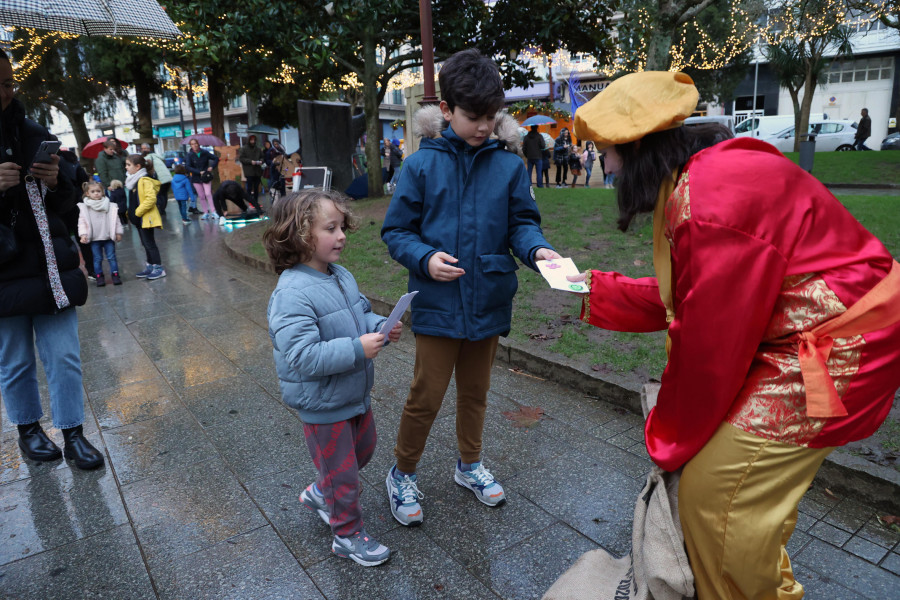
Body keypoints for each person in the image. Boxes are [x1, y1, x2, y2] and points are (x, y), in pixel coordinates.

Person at [568, 70, 900, 599]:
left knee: (720, 498)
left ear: (636, 149)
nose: (603, 166)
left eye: (607, 151)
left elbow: (709, 352)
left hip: (835, 349)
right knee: (733, 499)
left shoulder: (705, 203)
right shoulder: (704, 178)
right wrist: (594, 290)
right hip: (820, 335)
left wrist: (668, 435)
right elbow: (697, 299)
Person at [381, 48, 560, 527]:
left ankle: (469, 464)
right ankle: (401, 472)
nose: (483, 126)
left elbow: (522, 223)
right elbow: (396, 232)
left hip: (488, 300)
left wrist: (537, 250)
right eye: (472, 116)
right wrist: (425, 257)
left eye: (490, 116)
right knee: (427, 394)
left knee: (476, 393)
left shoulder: (508, 166)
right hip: (438, 303)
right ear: (445, 110)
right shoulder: (420, 165)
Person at [264, 189, 402, 567]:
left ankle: (322, 491)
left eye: (342, 227)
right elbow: (302, 356)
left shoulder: (340, 275)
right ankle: (347, 534)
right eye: (331, 228)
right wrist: (359, 348)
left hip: (353, 391)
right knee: (344, 477)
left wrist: (380, 327)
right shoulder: (291, 293)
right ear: (299, 234)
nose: (342, 235)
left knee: (365, 449)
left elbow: (360, 314)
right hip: (323, 403)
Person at [0, 48, 103, 470]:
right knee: (14, 357)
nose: (8, 91)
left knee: (64, 354)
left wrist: (57, 179)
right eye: (2, 83)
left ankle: (73, 432)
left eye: (9, 82)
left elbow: (67, 203)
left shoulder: (31, 130)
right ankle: (28, 430)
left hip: (50, 265)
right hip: (4, 272)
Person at [125, 154, 165, 280]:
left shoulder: (144, 180)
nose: (126, 167)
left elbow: (151, 199)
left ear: (138, 167)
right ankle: (150, 266)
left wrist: (137, 212)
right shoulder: (134, 180)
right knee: (145, 243)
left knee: (150, 243)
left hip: (144, 218)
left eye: (128, 165)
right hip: (138, 220)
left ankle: (158, 268)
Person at [77, 181, 123, 286]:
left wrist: (118, 232)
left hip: (108, 237)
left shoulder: (110, 205)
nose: (96, 193)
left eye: (98, 191)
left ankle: (115, 275)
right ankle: (99, 276)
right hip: (94, 239)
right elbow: (82, 222)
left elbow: (116, 220)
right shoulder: (85, 207)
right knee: (97, 259)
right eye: (93, 191)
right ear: (88, 193)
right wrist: (83, 234)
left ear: (102, 192)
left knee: (111, 257)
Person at [185, 138, 218, 220]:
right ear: (191, 146)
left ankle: (213, 212)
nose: (194, 145)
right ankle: (206, 212)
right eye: (192, 144)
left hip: (206, 177)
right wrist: (198, 172)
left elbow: (216, 158)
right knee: (201, 196)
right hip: (196, 178)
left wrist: (212, 166)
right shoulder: (189, 155)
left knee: (208, 194)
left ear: (198, 144)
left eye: (195, 143)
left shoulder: (204, 152)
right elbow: (188, 166)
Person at [141, 142, 173, 213]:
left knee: (159, 194)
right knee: (164, 194)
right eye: (142, 148)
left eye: (145, 148)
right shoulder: (157, 156)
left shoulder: (147, 157)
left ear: (149, 149)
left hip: (160, 178)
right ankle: (163, 209)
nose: (143, 150)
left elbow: (146, 166)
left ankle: (161, 210)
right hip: (167, 177)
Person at [237, 134, 264, 206]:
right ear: (249, 140)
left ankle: (255, 202)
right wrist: (250, 161)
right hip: (249, 171)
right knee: (249, 188)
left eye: (254, 140)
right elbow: (241, 159)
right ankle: (250, 202)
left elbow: (262, 157)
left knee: (256, 188)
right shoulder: (244, 149)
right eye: (251, 140)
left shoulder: (258, 149)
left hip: (257, 171)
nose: (253, 141)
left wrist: (261, 161)